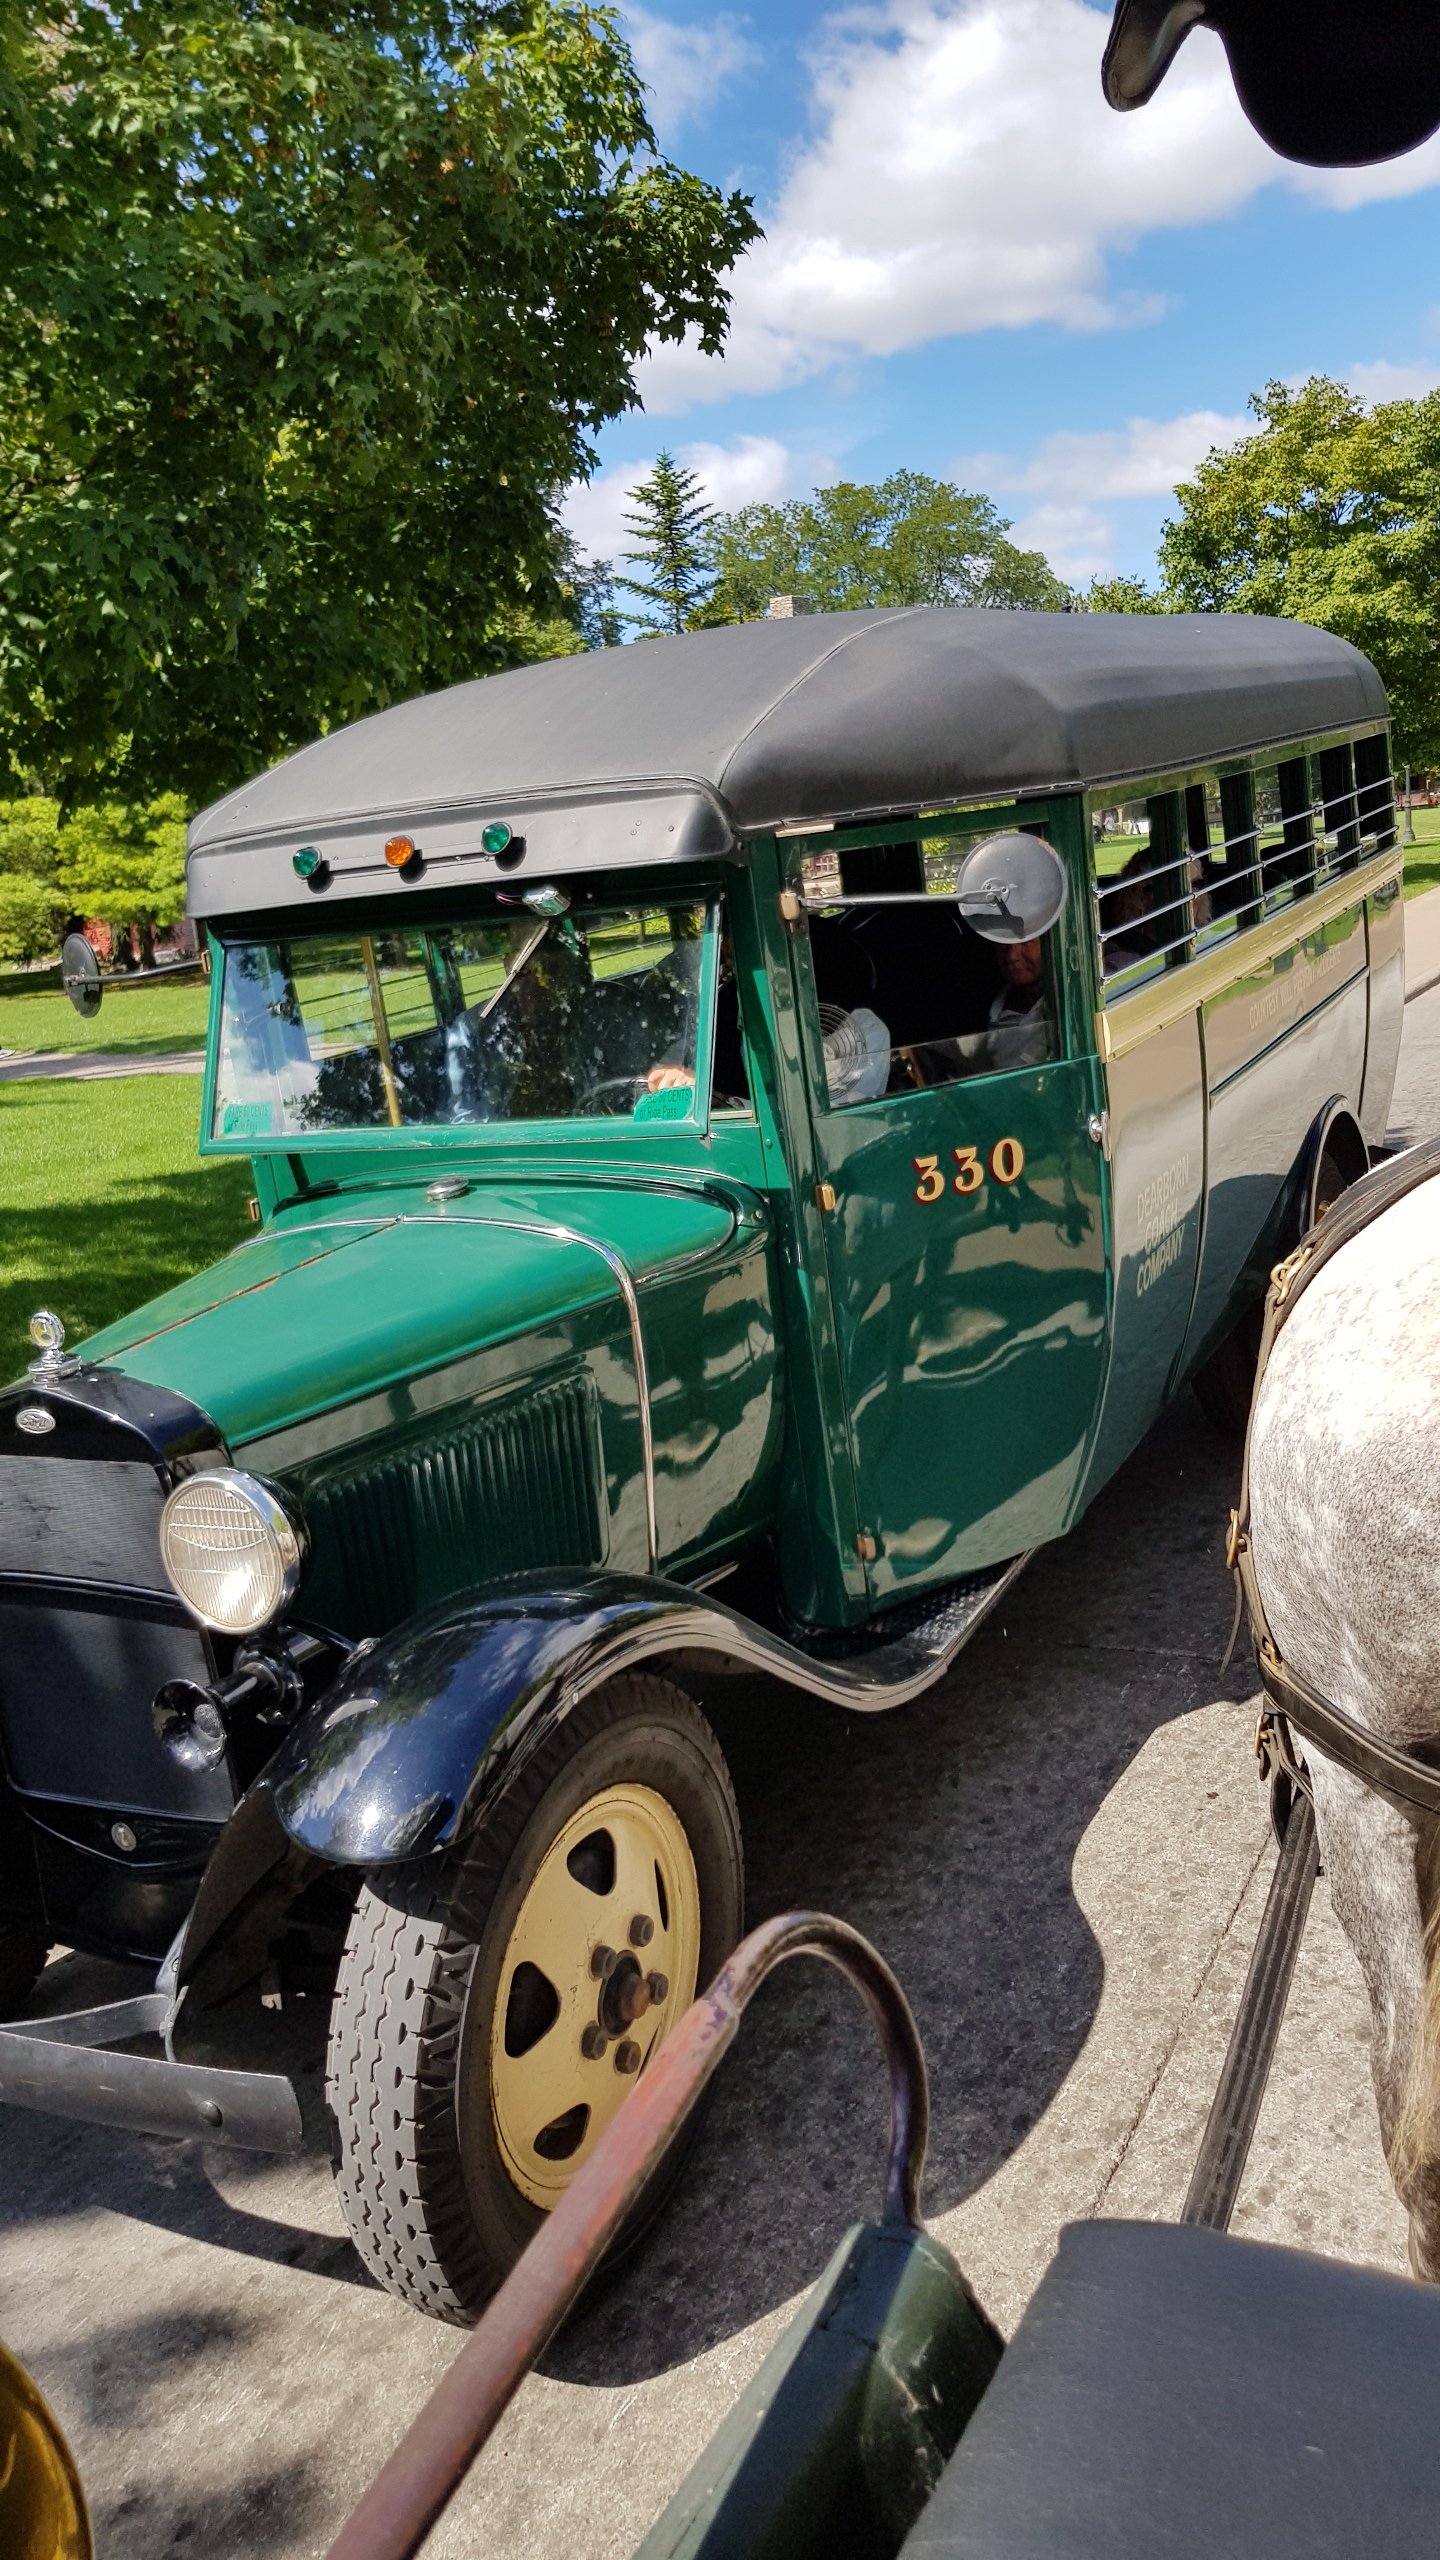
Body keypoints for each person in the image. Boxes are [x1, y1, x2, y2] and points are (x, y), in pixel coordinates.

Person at [985, 938, 1052, 1069]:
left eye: (1026, 941)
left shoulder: (1071, 1006)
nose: (1011, 956)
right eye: (1002, 942)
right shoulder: (982, 1004)